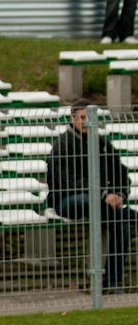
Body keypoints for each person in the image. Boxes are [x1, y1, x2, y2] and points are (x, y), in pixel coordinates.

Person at [47, 99, 134, 292]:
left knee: (122, 220)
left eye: (90, 117)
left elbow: (120, 173)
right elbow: (70, 182)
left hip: (100, 201)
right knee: (95, 202)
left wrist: (119, 195)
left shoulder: (102, 143)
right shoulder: (63, 145)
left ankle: (111, 282)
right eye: (83, 117)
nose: (86, 122)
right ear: (73, 118)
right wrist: (104, 195)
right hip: (67, 200)